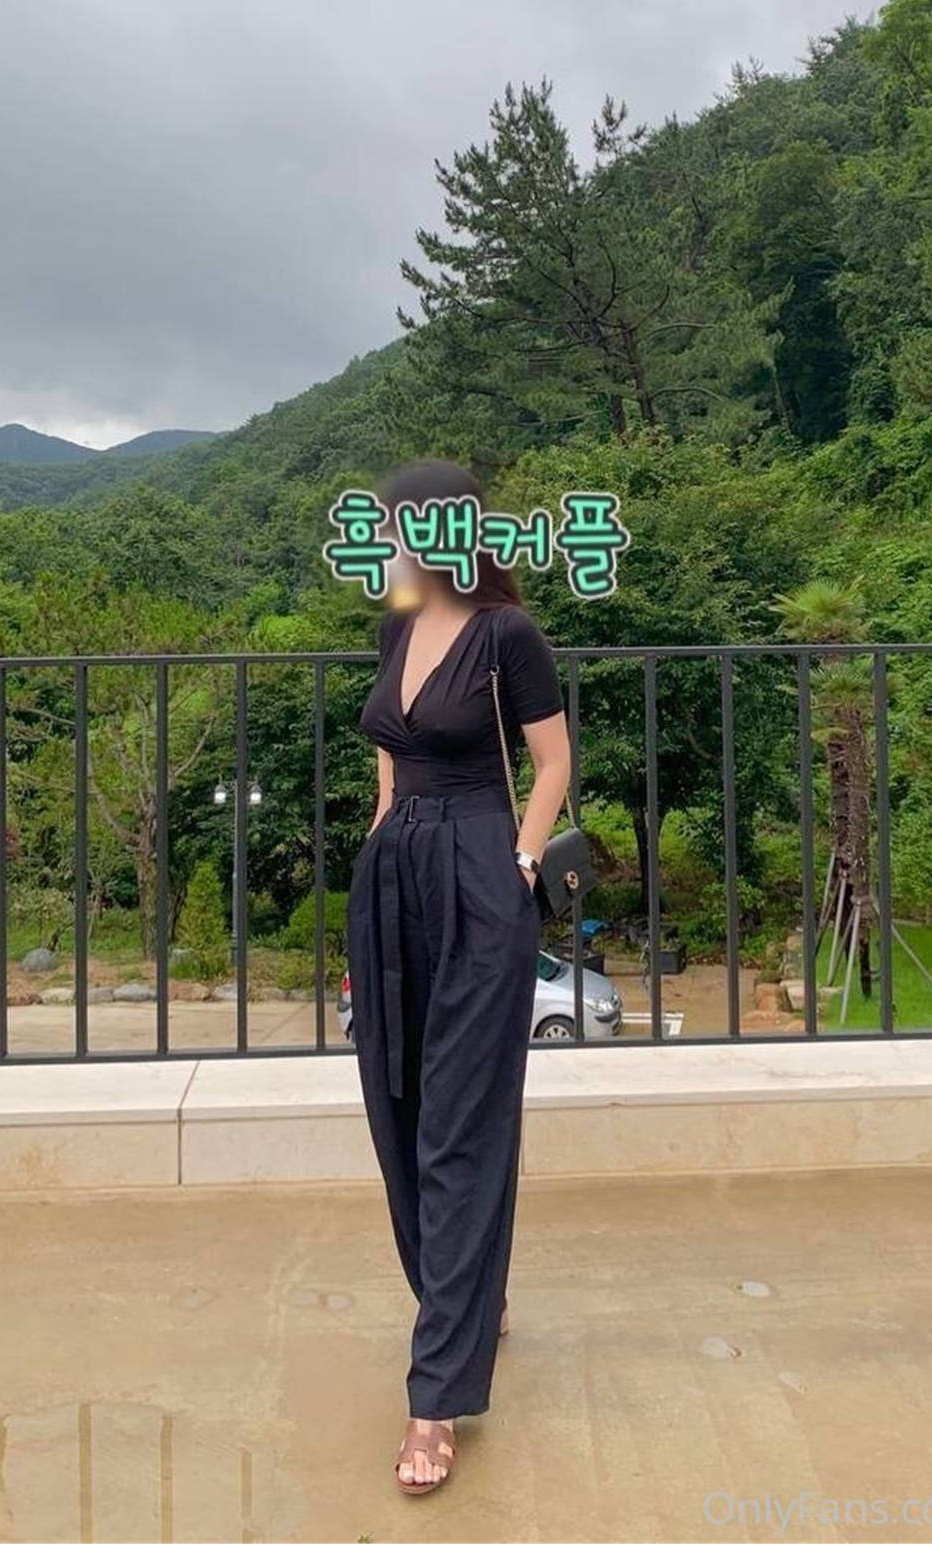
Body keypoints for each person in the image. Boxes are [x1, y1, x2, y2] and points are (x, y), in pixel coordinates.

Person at [347, 459, 572, 1495]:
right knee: (399, 1100)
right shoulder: (396, 628)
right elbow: (390, 756)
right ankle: (471, 1295)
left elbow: (552, 761)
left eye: (404, 527)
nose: (392, 543)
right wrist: (380, 835)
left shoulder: (505, 634)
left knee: (459, 1122)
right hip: (396, 878)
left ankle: (435, 1395)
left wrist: (520, 861)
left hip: (480, 874)